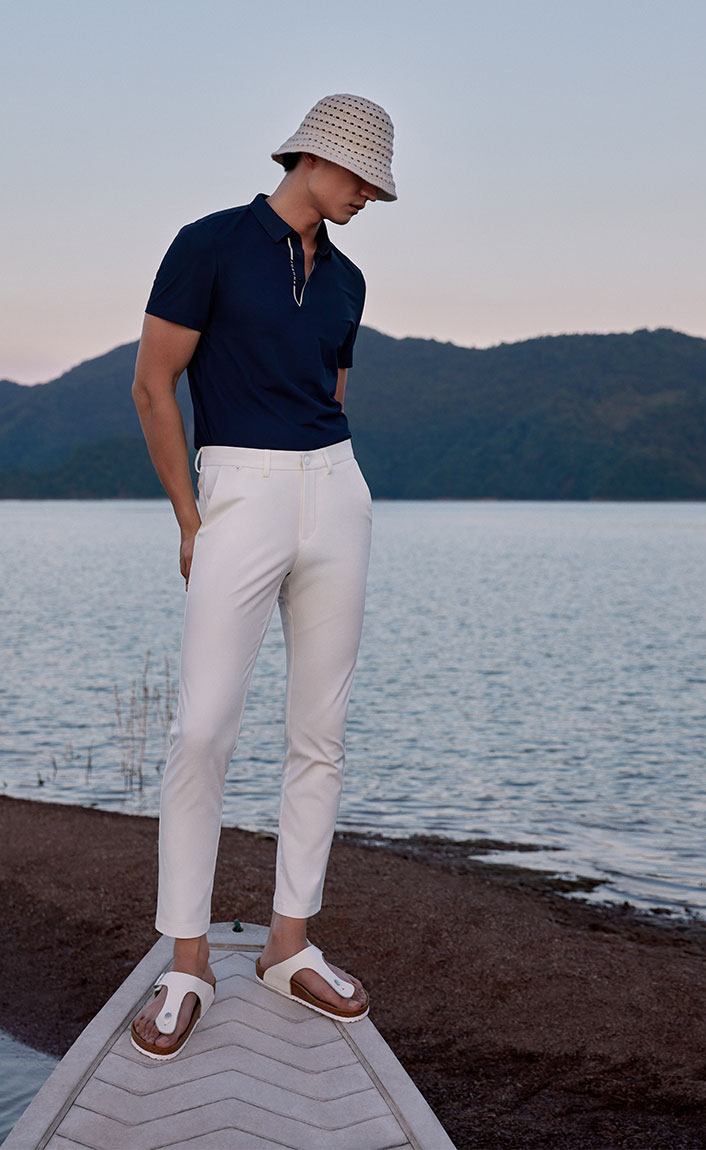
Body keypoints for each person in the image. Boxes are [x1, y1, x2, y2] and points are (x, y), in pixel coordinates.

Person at [129, 93, 397, 1060]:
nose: (368, 196)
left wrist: (332, 491)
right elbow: (152, 384)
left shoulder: (348, 280)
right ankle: (186, 963)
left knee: (319, 733)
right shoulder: (207, 244)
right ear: (313, 159)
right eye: (361, 177)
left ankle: (290, 945)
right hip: (238, 489)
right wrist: (190, 518)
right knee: (201, 729)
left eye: (376, 186)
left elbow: (330, 393)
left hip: (336, 489)